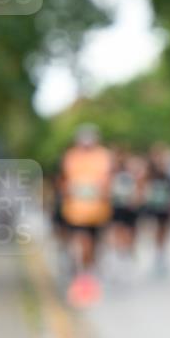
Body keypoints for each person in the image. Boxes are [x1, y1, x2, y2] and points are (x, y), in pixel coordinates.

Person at [60, 124, 113, 306]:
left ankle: (90, 273)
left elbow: (106, 180)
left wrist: (103, 190)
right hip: (76, 212)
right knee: (82, 242)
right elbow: (66, 180)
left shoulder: (103, 156)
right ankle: (83, 277)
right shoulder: (71, 156)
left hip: (98, 212)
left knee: (95, 244)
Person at [143, 143, 170, 277]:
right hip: (154, 206)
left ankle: (161, 253)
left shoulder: (169, 172)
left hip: (165, 207)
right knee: (155, 229)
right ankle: (157, 252)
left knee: (164, 230)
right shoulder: (150, 172)